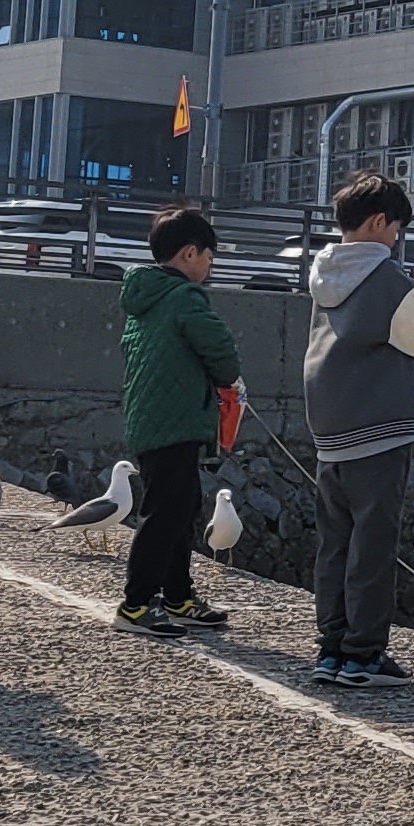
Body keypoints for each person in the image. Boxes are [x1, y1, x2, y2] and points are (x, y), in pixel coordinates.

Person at [303, 168, 414, 689]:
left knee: (335, 542)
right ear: (380, 221)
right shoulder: (385, 277)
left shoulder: (325, 272)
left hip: (330, 425)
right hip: (379, 427)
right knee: (373, 541)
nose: (396, 238)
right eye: (396, 228)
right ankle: (363, 656)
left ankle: (331, 647)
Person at [116, 205, 243, 637]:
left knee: (181, 508)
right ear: (190, 253)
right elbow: (221, 351)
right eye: (209, 256)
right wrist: (230, 380)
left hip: (150, 420)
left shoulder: (144, 300)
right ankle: (135, 604)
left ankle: (177, 596)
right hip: (176, 423)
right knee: (164, 514)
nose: (210, 266)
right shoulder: (185, 297)